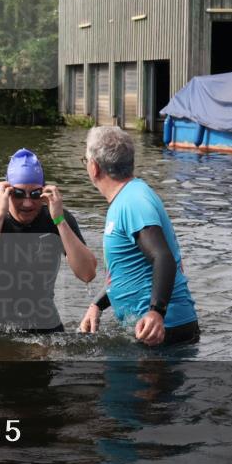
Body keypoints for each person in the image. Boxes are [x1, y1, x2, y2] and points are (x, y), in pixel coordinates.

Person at [78, 126, 200, 346]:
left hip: (161, 331)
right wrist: (97, 304)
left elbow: (163, 257)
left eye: (84, 160)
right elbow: (129, 269)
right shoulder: (127, 198)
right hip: (152, 328)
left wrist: (156, 313)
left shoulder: (133, 201)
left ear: (94, 167)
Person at [0, 149, 96, 333]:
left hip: (44, 323)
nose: (27, 203)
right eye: (18, 194)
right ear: (6, 192)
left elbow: (87, 273)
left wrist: (59, 221)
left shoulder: (57, 219)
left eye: (35, 195)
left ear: (44, 192)